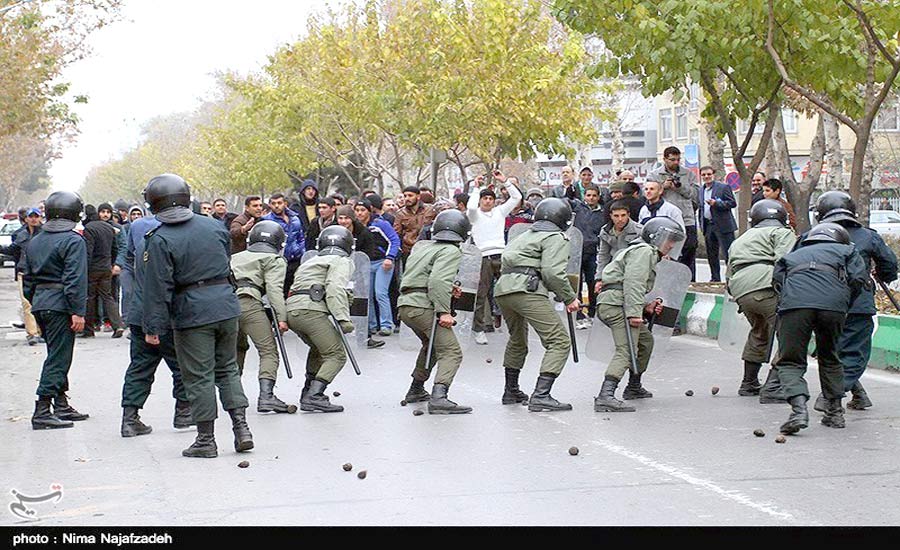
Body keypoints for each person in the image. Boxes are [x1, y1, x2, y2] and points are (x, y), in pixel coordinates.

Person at [142, 174, 253, 458]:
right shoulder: (215, 226)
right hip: (226, 306)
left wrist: (153, 326)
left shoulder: (159, 238)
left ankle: (206, 440)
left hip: (192, 313)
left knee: (199, 375)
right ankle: (242, 429)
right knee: (227, 368)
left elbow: (158, 287)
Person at [773, 222, 868, 435]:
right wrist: (843, 303)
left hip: (795, 306)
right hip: (833, 307)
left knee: (790, 360)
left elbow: (777, 282)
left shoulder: (793, 255)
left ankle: (798, 412)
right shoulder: (848, 250)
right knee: (830, 356)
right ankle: (834, 413)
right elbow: (858, 279)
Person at [810, 191, 898, 411]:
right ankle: (830, 396)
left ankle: (858, 394)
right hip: (857, 303)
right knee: (855, 353)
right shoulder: (868, 236)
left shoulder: (809, 237)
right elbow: (889, 266)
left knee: (832, 351)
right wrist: (882, 275)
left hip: (820, 303)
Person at [494, 198, 580, 411]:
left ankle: (511, 390)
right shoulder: (556, 237)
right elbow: (553, 273)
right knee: (559, 341)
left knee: (517, 339)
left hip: (504, 290)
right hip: (528, 290)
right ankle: (542, 394)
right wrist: (569, 297)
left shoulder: (523, 236)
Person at [593, 217, 686, 412]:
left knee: (645, 341)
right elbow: (633, 282)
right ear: (656, 237)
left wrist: (646, 306)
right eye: (669, 239)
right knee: (626, 350)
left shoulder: (641, 251)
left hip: (616, 301)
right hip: (616, 305)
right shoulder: (644, 251)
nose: (671, 245)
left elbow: (625, 283)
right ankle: (605, 395)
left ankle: (633, 387)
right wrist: (635, 313)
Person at [120, 202, 193, 438]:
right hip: (163, 316)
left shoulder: (145, 242)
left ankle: (129, 418)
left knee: (140, 367)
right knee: (182, 365)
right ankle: (183, 412)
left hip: (140, 315)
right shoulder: (169, 243)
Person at [23, 191, 89, 429]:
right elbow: (75, 279)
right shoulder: (73, 240)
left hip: (42, 302)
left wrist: (37, 302)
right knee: (59, 358)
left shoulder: (36, 240)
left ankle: (60, 404)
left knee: (56, 353)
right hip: (60, 303)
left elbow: (27, 279)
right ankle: (42, 408)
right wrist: (78, 311)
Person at [398, 210, 473, 414]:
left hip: (406, 304)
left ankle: (416, 389)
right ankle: (440, 397)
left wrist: (448, 289)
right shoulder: (451, 251)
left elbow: (423, 277)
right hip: (423, 306)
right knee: (451, 351)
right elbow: (437, 281)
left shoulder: (422, 248)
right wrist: (444, 311)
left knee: (430, 345)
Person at [725, 200, 797, 399]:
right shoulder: (782, 233)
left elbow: (728, 271)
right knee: (789, 333)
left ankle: (749, 382)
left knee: (760, 331)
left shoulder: (742, 238)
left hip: (741, 291)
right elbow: (786, 263)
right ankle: (774, 385)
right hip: (766, 285)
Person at [285, 225, 356, 412]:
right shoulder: (342, 260)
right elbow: (335, 287)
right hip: (311, 310)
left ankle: (308, 391)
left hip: (293, 309)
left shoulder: (312, 261)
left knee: (318, 349)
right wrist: (342, 318)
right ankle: (315, 395)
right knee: (336, 355)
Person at [231, 220, 296, 414]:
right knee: (268, 351)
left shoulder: (236, 256)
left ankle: (234, 396)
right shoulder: (274, 259)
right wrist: (281, 317)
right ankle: (266, 397)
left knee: (237, 349)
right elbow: (274, 290)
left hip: (227, 305)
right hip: (250, 303)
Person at [467, 170, 522, 344]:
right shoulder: (474, 216)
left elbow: (516, 197)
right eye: (485, 198)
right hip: (483, 257)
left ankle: (517, 327)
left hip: (501, 254)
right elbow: (470, 207)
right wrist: (476, 188)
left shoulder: (499, 212)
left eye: (491, 198)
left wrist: (504, 181)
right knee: (481, 295)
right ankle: (478, 329)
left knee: (511, 291)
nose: (488, 201)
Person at [647, 146, 699, 280]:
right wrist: (662, 187)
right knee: (665, 254)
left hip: (686, 218)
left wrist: (680, 186)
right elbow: (648, 193)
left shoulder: (688, 174)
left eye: (678, 159)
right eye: (672, 160)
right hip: (664, 220)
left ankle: (689, 280)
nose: (675, 162)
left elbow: (695, 194)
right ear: (664, 159)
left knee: (689, 250)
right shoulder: (654, 175)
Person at [353, 200, 401, 340]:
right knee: (367, 295)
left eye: (363, 210)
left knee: (380, 292)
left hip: (382, 262)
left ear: (369, 210)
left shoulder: (380, 224)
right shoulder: (356, 227)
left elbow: (394, 241)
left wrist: (389, 257)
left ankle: (386, 324)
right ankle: (372, 324)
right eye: (357, 210)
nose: (360, 213)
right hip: (365, 263)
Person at [0, 207, 44, 345]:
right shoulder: (21, 235)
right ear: (26, 219)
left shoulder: (45, 234)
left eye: (36, 216)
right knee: (27, 304)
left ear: (40, 218)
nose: (33, 219)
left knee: (41, 303)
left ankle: (43, 331)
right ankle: (32, 333)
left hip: (41, 273)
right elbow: (11, 250)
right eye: (31, 216)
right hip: (24, 273)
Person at [81, 202, 124, 338]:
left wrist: (85, 268)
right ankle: (117, 325)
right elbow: (115, 248)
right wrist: (111, 264)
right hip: (106, 267)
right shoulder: (108, 228)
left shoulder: (89, 229)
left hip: (93, 268)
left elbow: (89, 251)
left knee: (90, 297)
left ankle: (89, 329)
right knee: (108, 296)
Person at [572, 184, 608, 329]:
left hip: (594, 251)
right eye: (588, 195)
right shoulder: (577, 210)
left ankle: (593, 313)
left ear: (598, 197)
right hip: (577, 251)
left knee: (594, 283)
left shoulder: (603, 212)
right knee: (577, 284)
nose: (591, 198)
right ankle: (579, 314)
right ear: (584, 196)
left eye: (594, 195)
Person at [697, 166, 737, 282]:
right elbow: (701, 208)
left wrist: (716, 204)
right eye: (704, 175)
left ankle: (732, 278)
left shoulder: (723, 187)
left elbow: (732, 203)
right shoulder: (701, 190)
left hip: (723, 226)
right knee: (711, 255)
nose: (706, 177)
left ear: (713, 174)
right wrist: (701, 224)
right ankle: (715, 278)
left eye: (708, 174)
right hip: (708, 226)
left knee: (728, 254)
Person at [263, 193, 305, 298]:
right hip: (277, 262)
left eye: (279, 203)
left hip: (295, 260)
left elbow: (301, 237)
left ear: (285, 203)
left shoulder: (295, 218)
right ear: (270, 205)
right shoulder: (266, 220)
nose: (276, 206)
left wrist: (301, 250)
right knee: (279, 293)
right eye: (273, 203)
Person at [638, 180, 685, 262]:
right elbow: (641, 231)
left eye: (652, 189)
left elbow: (681, 234)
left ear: (660, 191)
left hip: (667, 256)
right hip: (648, 254)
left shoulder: (672, 210)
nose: (648, 192)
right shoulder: (643, 210)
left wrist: (671, 254)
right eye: (646, 189)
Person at [596, 200, 643, 280]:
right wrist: (599, 278)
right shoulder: (605, 231)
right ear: (611, 216)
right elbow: (603, 255)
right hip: (613, 269)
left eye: (623, 215)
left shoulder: (639, 231)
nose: (620, 219)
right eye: (616, 216)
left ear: (628, 215)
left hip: (633, 271)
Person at [393, 186, 436, 263]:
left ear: (418, 196)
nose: (407, 198)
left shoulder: (430, 210)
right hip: (408, 250)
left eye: (410, 195)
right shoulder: (400, 213)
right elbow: (396, 232)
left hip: (427, 248)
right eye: (405, 196)